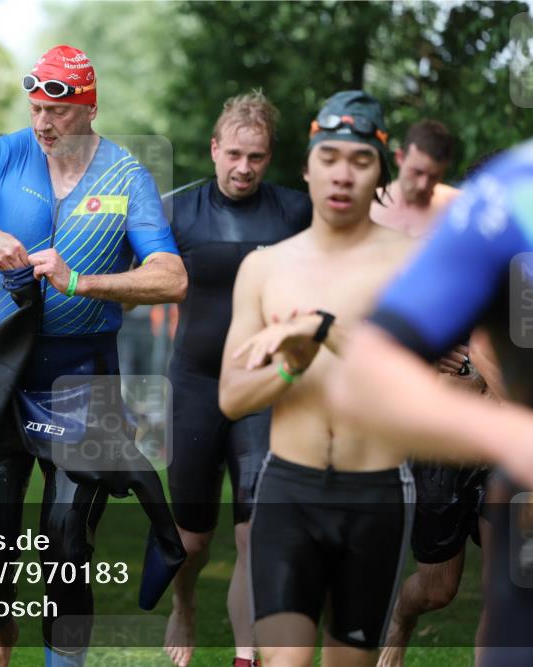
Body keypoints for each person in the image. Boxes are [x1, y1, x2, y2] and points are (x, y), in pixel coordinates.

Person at [0, 45, 188, 667]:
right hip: (1, 368)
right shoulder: (3, 155)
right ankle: (1, 636)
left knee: (66, 541)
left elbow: (171, 277)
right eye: (36, 109)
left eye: (60, 111)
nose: (45, 124)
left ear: (90, 109)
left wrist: (84, 282)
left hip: (82, 376)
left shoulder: (126, 176)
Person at [331, 125, 533, 666]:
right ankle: (402, 615)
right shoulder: (518, 202)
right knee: (438, 587)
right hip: (455, 447)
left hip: (530, 470)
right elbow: (374, 358)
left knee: (507, 582)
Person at [218, 90, 419, 667]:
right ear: (306, 166)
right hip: (289, 493)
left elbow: (408, 383)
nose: (342, 174)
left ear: (381, 171)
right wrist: (291, 365)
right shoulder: (264, 267)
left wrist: (324, 328)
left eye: (360, 161)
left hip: (375, 493)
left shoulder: (411, 265)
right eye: (328, 156)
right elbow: (232, 398)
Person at [164, 91, 311, 667]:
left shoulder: (294, 212)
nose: (244, 168)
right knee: (192, 542)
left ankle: (245, 656)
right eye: (234, 155)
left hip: (261, 391)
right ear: (214, 149)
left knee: (255, 533)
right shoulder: (178, 211)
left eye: (257, 157)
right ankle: (185, 601)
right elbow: (135, 278)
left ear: (269, 158)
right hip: (196, 387)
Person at [371, 120, 460, 237]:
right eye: (418, 172)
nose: (423, 185)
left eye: (434, 177)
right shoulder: (369, 207)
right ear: (400, 158)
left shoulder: (458, 208)